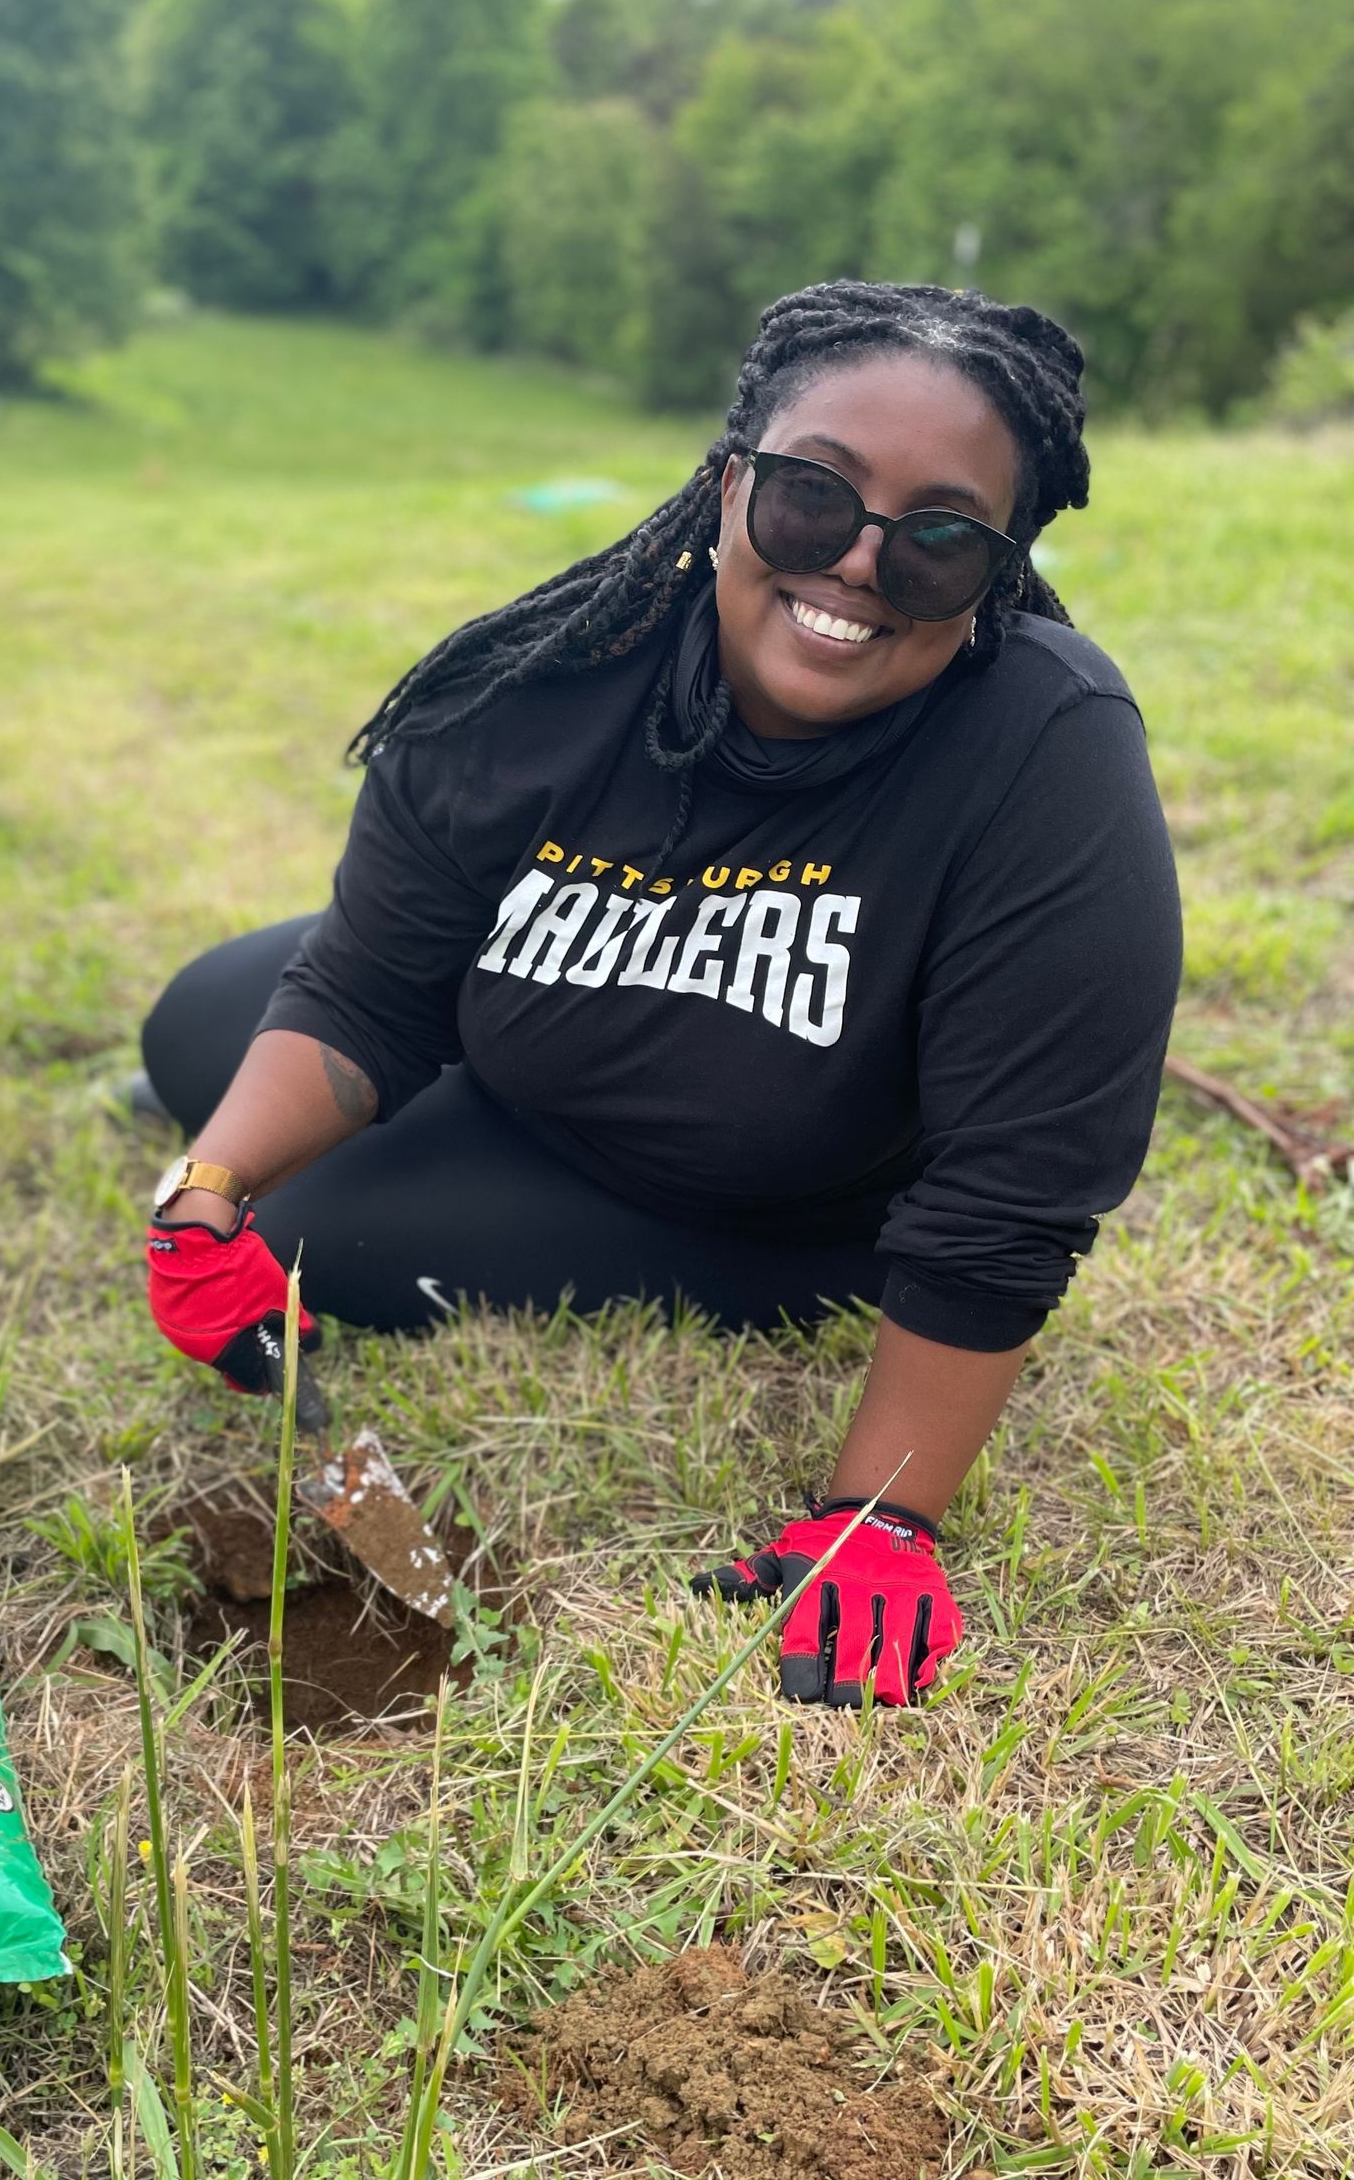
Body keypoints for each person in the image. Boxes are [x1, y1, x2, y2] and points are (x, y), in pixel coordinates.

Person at [139, 280, 1180, 1711]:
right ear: (730, 481)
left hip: (759, 1197)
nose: (861, 566)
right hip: (521, 1060)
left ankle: (391, 1182)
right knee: (205, 1031)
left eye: (938, 540)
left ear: (994, 575)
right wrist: (207, 1189)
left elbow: (1018, 1188)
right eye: (817, 500)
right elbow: (374, 979)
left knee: (330, 1238)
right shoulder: (551, 671)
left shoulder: (1042, 747)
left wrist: (884, 1514)